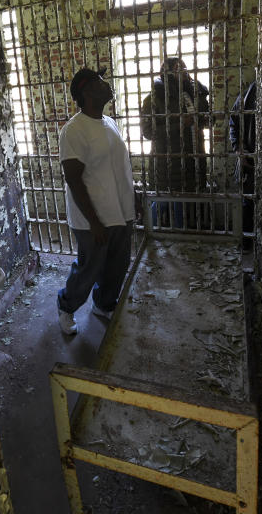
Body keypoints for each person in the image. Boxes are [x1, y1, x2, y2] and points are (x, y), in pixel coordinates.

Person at [56, 68, 136, 335]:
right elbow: (74, 180)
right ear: (87, 91)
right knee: (89, 269)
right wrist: (94, 223)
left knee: (117, 266)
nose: (108, 86)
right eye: (101, 83)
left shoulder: (109, 122)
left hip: (120, 211)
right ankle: (66, 306)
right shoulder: (74, 130)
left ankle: (103, 305)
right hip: (94, 218)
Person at [140, 58, 210, 228]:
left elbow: (208, 120)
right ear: (167, 72)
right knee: (162, 200)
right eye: (178, 68)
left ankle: (180, 237)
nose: (184, 70)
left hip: (191, 160)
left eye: (184, 66)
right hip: (167, 161)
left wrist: (202, 118)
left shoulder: (194, 93)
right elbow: (147, 132)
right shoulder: (154, 98)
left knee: (183, 202)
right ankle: (151, 233)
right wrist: (178, 125)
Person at [229, 81, 256, 249]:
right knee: (247, 202)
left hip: (255, 156)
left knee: (252, 202)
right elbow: (233, 123)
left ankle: (252, 243)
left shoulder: (249, 95)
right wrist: (239, 150)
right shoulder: (247, 96)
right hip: (249, 158)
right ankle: (247, 243)